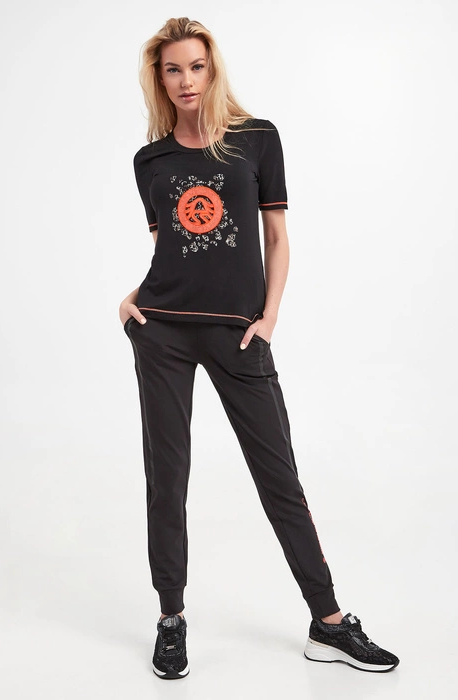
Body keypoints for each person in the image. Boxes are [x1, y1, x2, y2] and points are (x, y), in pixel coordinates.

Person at [119, 17, 400, 680]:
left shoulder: (256, 139)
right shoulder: (150, 161)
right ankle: (170, 618)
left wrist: (268, 318)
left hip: (239, 333)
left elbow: (276, 237)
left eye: (195, 66)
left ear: (212, 69)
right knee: (167, 479)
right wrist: (133, 299)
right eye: (172, 69)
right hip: (162, 331)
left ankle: (328, 622)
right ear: (159, 79)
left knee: (279, 478)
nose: (186, 80)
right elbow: (170, 249)